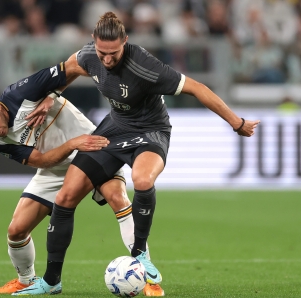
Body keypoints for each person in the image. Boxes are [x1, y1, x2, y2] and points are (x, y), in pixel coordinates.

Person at [13, 12, 260, 296]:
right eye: (102, 52)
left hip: (151, 130)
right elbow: (68, 70)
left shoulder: (145, 66)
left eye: (114, 53)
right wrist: (50, 97)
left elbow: (197, 88)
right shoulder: (89, 55)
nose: (106, 59)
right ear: (94, 42)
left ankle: (140, 254)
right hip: (114, 127)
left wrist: (236, 122)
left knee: (142, 180)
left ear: (125, 42)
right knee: (65, 197)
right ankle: (52, 281)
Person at [0, 62, 164, 296]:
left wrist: (53, 93)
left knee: (118, 197)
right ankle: (26, 280)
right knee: (16, 230)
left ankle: (148, 277)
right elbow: (42, 160)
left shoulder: (23, 92)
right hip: (56, 166)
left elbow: (75, 65)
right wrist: (70, 144)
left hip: (92, 148)